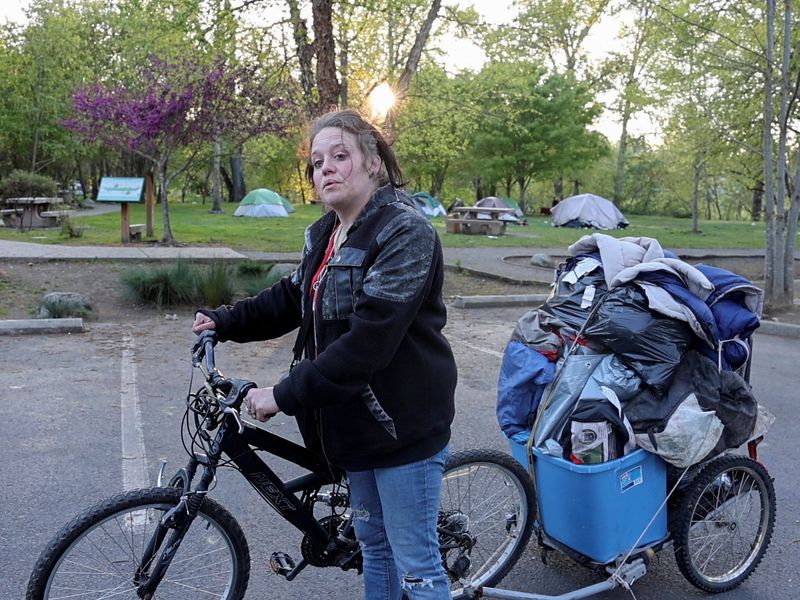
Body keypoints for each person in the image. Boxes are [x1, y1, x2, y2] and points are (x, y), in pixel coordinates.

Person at [192, 108, 457, 600]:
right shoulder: (325, 234)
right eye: (317, 162)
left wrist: (284, 394)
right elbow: (292, 297)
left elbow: (368, 343)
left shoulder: (405, 233)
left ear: (373, 162)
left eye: (340, 156)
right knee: (374, 548)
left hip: (402, 425)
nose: (326, 169)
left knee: (416, 565)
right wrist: (225, 321)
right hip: (352, 428)